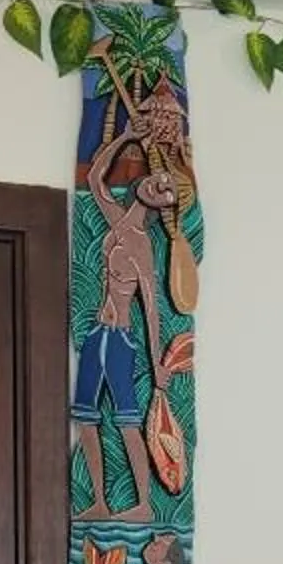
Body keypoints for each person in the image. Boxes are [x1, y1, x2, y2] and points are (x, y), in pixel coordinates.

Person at [73, 141, 176, 518]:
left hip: (120, 338)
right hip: (97, 333)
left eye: (167, 188)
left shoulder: (143, 246)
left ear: (163, 206)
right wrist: (125, 137)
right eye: (159, 178)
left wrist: (157, 363)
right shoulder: (117, 220)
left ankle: (144, 505)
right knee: (86, 419)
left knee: (126, 421)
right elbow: (95, 178)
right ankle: (100, 502)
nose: (159, 184)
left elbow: (150, 308)